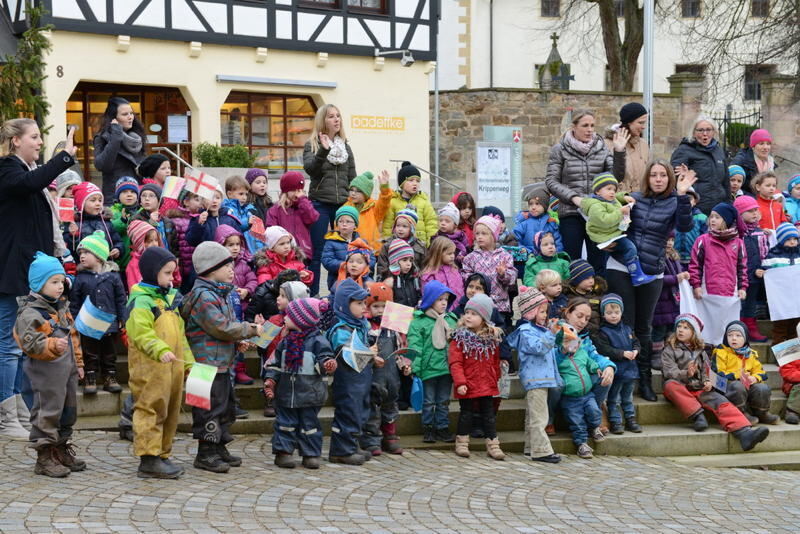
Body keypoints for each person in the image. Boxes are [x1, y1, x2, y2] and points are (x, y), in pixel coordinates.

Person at [0, 120, 77, 438]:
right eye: (34, 137)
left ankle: (18, 411)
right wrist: (64, 157)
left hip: (29, 270)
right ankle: (6, 416)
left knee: (20, 343)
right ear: (16, 141)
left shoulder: (26, 171)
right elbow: (29, 183)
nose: (40, 142)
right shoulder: (6, 168)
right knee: (8, 344)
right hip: (11, 271)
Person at [605, 160, 695, 402]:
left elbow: (686, 226)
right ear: (647, 178)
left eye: (663, 175)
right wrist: (610, 239)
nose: (658, 179)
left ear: (669, 179)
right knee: (625, 322)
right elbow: (610, 220)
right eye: (653, 175)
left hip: (652, 269)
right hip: (622, 265)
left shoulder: (675, 201)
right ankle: (620, 377)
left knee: (644, 326)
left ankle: (644, 379)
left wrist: (683, 195)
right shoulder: (634, 198)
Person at [182, 241, 263, 473]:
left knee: (224, 406)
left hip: (220, 364)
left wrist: (238, 340)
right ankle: (205, 452)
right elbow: (221, 327)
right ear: (210, 268)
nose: (232, 270)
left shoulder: (219, 293)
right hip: (203, 365)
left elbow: (225, 329)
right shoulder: (203, 296)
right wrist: (249, 329)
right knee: (207, 409)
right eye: (227, 265)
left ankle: (218, 447)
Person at [13, 252, 84, 476]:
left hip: (67, 372)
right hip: (44, 377)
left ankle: (60, 449)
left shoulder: (61, 307)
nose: (60, 286)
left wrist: (79, 362)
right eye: (54, 282)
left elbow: (74, 337)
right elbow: (30, 343)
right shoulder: (30, 313)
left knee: (67, 410)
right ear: (38, 283)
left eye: (61, 281)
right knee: (47, 412)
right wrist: (52, 344)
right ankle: (44, 456)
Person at [126, 247, 193, 479]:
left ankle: (162, 453)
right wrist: (160, 349)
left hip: (171, 367)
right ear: (153, 272)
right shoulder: (142, 302)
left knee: (171, 408)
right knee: (150, 408)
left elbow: (181, 336)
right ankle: (148, 457)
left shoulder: (169, 300)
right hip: (150, 368)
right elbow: (140, 334)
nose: (172, 278)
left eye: (173, 273)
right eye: (167, 273)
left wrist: (188, 364)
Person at [661, 313, 769, 451]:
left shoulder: (701, 350)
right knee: (670, 385)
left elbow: (707, 371)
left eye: (686, 328)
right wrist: (686, 373)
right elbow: (669, 372)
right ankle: (698, 416)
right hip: (680, 387)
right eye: (679, 327)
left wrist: (708, 381)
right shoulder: (669, 349)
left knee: (721, 401)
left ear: (694, 332)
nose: (681, 330)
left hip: (698, 387)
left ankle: (744, 433)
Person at [545, 109, 626, 272]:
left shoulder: (601, 148)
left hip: (598, 212)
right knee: (572, 260)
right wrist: (574, 198)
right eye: (585, 125)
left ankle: (597, 295)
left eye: (592, 126)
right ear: (573, 127)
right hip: (571, 212)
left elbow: (615, 177)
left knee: (598, 261)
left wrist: (619, 152)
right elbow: (551, 181)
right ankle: (572, 296)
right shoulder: (560, 149)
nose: (590, 130)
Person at [264, 298, 335, 469]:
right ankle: (284, 452)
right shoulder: (285, 341)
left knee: (309, 426)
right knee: (284, 424)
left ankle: (310, 454)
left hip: (310, 393)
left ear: (300, 320)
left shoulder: (319, 341)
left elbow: (324, 360)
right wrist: (271, 379)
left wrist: (327, 365)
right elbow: (275, 362)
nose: (285, 319)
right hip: (287, 393)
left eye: (288, 316)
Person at [304, 104, 357, 297]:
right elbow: (310, 170)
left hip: (343, 205)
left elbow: (352, 177)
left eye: (338, 116)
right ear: (322, 121)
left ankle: (345, 291)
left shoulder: (346, 147)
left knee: (347, 249)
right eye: (331, 116)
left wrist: (356, 197)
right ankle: (314, 295)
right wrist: (323, 151)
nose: (337, 120)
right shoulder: (312, 144)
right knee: (317, 252)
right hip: (319, 203)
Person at [505, 287, 561, 463]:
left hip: (542, 378)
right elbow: (539, 348)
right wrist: (552, 335)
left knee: (533, 415)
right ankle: (542, 450)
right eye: (541, 311)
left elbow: (549, 350)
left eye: (546, 312)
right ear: (530, 312)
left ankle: (531, 447)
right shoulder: (526, 331)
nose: (545, 315)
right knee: (540, 417)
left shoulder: (539, 330)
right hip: (535, 378)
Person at [326, 279, 378, 465]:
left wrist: (373, 357)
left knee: (360, 411)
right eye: (358, 303)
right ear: (344, 305)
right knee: (348, 412)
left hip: (361, 380)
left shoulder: (360, 324)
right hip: (347, 381)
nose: (364, 307)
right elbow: (346, 354)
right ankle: (341, 450)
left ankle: (353, 444)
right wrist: (368, 353)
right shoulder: (341, 328)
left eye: (364, 302)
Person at [70, 231, 127, 395]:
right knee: (90, 351)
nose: (82, 256)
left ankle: (110, 376)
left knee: (109, 352)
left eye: (87, 252)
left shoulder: (113, 277)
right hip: (88, 323)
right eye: (80, 253)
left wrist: (123, 317)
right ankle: (90, 376)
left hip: (109, 322)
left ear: (99, 256)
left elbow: (120, 299)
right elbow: (75, 302)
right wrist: (73, 319)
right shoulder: (80, 278)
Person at [449, 293, 505, 460]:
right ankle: (462, 442)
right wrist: (460, 382)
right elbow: (455, 362)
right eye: (467, 312)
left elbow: (495, 360)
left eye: (474, 314)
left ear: (484, 318)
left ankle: (493, 444)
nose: (468, 316)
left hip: (486, 382)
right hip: (468, 382)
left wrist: (496, 377)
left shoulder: (491, 339)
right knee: (466, 413)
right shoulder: (459, 338)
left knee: (488, 414)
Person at [581, 173, 656, 286]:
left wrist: (624, 196)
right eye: (609, 189)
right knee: (630, 248)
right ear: (597, 192)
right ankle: (636, 275)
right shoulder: (595, 206)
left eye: (614, 189)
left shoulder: (610, 199)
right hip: (605, 236)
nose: (612, 192)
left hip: (613, 232)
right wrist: (620, 212)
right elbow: (604, 221)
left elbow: (616, 197)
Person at [407, 281, 457, 444]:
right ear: (430, 300)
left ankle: (442, 427)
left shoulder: (451, 320)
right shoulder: (419, 321)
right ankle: (428, 427)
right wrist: (416, 367)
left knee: (443, 401)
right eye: (439, 299)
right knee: (428, 401)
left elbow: (456, 344)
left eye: (446, 299)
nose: (444, 303)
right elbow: (416, 346)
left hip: (446, 368)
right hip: (428, 369)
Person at [362, 283, 407, 456]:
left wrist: (405, 364)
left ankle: (390, 436)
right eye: (376, 306)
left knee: (391, 405)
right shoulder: (366, 327)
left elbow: (402, 347)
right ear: (368, 307)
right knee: (373, 407)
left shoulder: (395, 327)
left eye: (384, 307)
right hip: (374, 376)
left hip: (392, 376)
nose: (380, 310)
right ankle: (371, 438)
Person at [591, 294, 642, 435]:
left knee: (628, 398)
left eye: (616, 312)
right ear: (603, 314)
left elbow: (636, 342)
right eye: (609, 313)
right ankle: (615, 421)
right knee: (614, 399)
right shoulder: (603, 332)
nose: (613, 316)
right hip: (617, 372)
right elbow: (605, 349)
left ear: (621, 312)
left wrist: (636, 351)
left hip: (630, 371)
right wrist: (621, 353)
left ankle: (631, 419)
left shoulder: (627, 329)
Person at [554, 319, 604, 460]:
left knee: (594, 411)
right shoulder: (559, 358)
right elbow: (555, 366)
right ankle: (581, 444)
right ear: (561, 345)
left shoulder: (581, 352)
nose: (573, 346)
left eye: (574, 342)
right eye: (568, 342)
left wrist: (596, 368)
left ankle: (594, 428)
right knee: (576, 421)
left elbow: (590, 362)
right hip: (570, 398)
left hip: (587, 394)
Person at [713, 320, 778, 425]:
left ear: (745, 338)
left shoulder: (750, 353)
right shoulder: (721, 352)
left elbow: (760, 371)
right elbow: (718, 374)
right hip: (728, 386)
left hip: (747, 384)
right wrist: (738, 376)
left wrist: (754, 378)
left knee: (762, 388)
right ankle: (741, 413)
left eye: (738, 335)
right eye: (730, 335)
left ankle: (761, 412)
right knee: (737, 386)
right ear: (726, 337)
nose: (734, 338)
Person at [462, 215, 517, 327]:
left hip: (499, 306)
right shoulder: (471, 257)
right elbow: (465, 275)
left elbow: (512, 278)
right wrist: (473, 280)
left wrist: (503, 274)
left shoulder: (504, 256)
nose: (480, 237)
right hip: (477, 305)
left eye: (484, 233)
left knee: (498, 334)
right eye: (477, 234)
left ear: (493, 236)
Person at [689, 202, 747, 302]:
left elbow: (742, 268)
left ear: (726, 220)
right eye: (711, 217)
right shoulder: (702, 240)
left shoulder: (738, 243)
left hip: (731, 292)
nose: (713, 220)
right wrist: (696, 285)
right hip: (706, 292)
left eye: (717, 217)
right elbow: (695, 265)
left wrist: (742, 288)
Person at [670, 116, 728, 215]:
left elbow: (726, 181)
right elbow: (674, 179)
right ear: (694, 132)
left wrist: (728, 203)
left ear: (714, 132)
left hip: (718, 209)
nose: (705, 134)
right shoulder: (683, 151)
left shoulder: (718, 150)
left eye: (708, 130)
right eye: (700, 130)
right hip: (696, 209)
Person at [93, 97, 146, 204]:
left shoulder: (136, 138)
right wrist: (116, 137)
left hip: (137, 194)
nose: (130, 117)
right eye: (125, 114)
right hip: (115, 197)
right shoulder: (102, 137)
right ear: (114, 118)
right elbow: (102, 165)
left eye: (131, 113)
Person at [734, 195, 770, 342]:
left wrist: (762, 268)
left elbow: (764, 253)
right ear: (740, 214)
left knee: (751, 303)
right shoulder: (735, 233)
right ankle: (738, 331)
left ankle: (751, 328)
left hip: (755, 277)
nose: (755, 213)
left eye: (756, 210)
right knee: (739, 304)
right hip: (738, 277)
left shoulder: (760, 233)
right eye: (750, 211)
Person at [760, 222, 800, 344]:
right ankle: (781, 357)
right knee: (780, 328)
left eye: (795, 239)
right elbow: (767, 273)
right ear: (781, 239)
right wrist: (762, 272)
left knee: (795, 328)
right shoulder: (773, 255)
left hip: (797, 301)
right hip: (780, 302)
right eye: (788, 239)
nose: (792, 242)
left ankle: (793, 359)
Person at [266, 171, 320, 262]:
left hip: (302, 253)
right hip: (282, 254)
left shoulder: (304, 205)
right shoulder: (276, 210)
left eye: (300, 190)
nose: (297, 193)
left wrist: (303, 200)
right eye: (294, 190)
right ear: (286, 191)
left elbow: (312, 218)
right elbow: (271, 230)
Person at [65, 181, 124, 262]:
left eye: (100, 200)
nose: (98, 204)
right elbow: (70, 251)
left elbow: (118, 241)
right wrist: (73, 236)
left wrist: (118, 249)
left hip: (106, 267)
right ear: (81, 203)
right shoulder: (73, 223)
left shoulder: (106, 222)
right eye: (93, 200)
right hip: (83, 268)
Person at [382, 162, 438, 245]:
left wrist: (432, 245)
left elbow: (431, 224)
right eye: (411, 180)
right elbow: (388, 226)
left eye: (418, 181)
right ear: (402, 183)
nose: (415, 183)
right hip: (399, 246)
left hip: (420, 247)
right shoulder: (393, 202)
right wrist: (387, 244)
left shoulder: (424, 201)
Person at [342, 170, 392, 252]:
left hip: (371, 250)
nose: (353, 193)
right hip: (351, 250)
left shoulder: (374, 207)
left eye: (358, 191)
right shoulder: (345, 207)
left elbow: (385, 202)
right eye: (351, 190)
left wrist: (384, 189)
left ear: (366, 193)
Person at [605, 102, 649, 194]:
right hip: (618, 202)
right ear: (629, 122)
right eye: (640, 122)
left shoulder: (644, 145)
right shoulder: (607, 144)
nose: (644, 127)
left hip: (641, 201)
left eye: (644, 123)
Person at [375, 208, 427, 283]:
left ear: (412, 228)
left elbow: (424, 268)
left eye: (404, 226)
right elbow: (382, 267)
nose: (400, 229)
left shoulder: (419, 247)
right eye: (398, 226)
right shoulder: (388, 245)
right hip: (393, 283)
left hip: (413, 284)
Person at [132, 183, 180, 260]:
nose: (147, 198)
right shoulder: (136, 219)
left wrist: (176, 258)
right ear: (140, 201)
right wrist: (151, 223)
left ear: (159, 201)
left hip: (167, 259)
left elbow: (174, 246)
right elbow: (139, 241)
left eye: (151, 196)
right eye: (143, 195)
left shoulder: (168, 222)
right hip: (149, 260)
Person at [321, 205, 364, 291]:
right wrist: (345, 265)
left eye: (348, 221)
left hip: (359, 280)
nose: (344, 224)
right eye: (341, 221)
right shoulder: (331, 242)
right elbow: (327, 260)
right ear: (337, 224)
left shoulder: (361, 242)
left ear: (355, 225)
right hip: (337, 281)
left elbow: (371, 258)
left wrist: (362, 266)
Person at [513, 187, 563, 256]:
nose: (533, 207)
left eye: (537, 204)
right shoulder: (524, 223)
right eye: (531, 204)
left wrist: (556, 255)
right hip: (529, 259)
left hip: (548, 259)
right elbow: (515, 240)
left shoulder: (550, 223)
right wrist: (526, 252)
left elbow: (558, 243)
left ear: (545, 205)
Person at [563, 259, 606, 333]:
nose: (591, 281)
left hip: (598, 333)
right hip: (579, 332)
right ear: (577, 280)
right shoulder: (569, 298)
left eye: (592, 277)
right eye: (587, 278)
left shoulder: (597, 295)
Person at [730, 128, 777, 195]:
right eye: (761, 144)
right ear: (753, 147)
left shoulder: (771, 163)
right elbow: (732, 185)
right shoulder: (741, 161)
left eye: (768, 144)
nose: (765, 147)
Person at [222, 175, 261, 253]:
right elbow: (233, 226)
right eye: (241, 194)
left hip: (249, 247)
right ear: (229, 194)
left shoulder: (246, 209)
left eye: (246, 194)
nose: (244, 197)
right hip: (236, 248)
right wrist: (247, 222)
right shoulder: (227, 209)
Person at [421, 237, 464, 308]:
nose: (452, 256)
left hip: (456, 311)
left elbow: (460, 290)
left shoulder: (454, 270)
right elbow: (428, 296)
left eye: (453, 253)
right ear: (438, 253)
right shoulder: (429, 275)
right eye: (449, 254)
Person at [109, 176, 140, 272]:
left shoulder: (142, 212)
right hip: (120, 261)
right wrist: (122, 221)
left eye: (132, 192)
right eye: (124, 192)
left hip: (138, 263)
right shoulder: (112, 211)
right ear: (118, 195)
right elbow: (110, 229)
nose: (129, 195)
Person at [673, 188, 708, 268]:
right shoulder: (673, 215)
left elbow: (705, 238)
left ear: (695, 201)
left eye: (689, 198)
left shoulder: (701, 217)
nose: (686, 201)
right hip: (675, 257)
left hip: (694, 257)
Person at [385, 239, 421, 308]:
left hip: (413, 313)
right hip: (397, 315)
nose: (409, 264)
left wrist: (420, 301)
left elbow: (419, 294)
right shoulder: (390, 280)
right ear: (394, 261)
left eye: (410, 260)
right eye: (404, 260)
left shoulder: (414, 277)